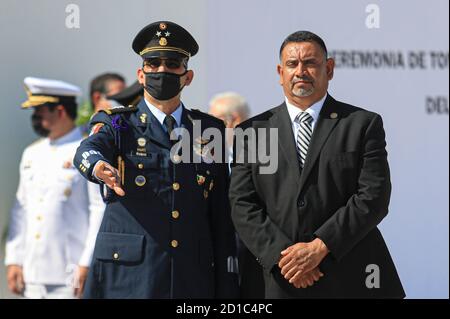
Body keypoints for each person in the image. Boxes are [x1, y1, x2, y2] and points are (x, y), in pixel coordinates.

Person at [229, 31, 405, 298]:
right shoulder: (252, 132)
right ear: (280, 72)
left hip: (351, 279)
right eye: (292, 64)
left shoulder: (362, 124)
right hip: (277, 280)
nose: (300, 71)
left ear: (329, 68)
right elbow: (242, 204)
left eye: (310, 63)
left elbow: (373, 198)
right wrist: (285, 259)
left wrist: (320, 247)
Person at [73, 21, 239, 299]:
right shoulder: (120, 123)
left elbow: (220, 212)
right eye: (153, 63)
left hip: (191, 276)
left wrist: (227, 279)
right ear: (141, 74)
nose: (162, 70)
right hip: (130, 276)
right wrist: (98, 167)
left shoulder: (209, 130)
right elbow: (87, 149)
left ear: (188, 76)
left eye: (173, 64)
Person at [5, 77, 105, 298]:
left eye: (39, 112)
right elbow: (20, 211)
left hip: (70, 274)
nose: (34, 119)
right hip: (33, 273)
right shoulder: (32, 153)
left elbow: (98, 209)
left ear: (60, 111)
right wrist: (14, 259)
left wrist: (87, 262)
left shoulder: (86, 150)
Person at [208, 92, 264, 298]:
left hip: (253, 252)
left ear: (234, 121)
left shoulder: (265, 154)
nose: (208, 129)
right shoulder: (204, 156)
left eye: (215, 121)